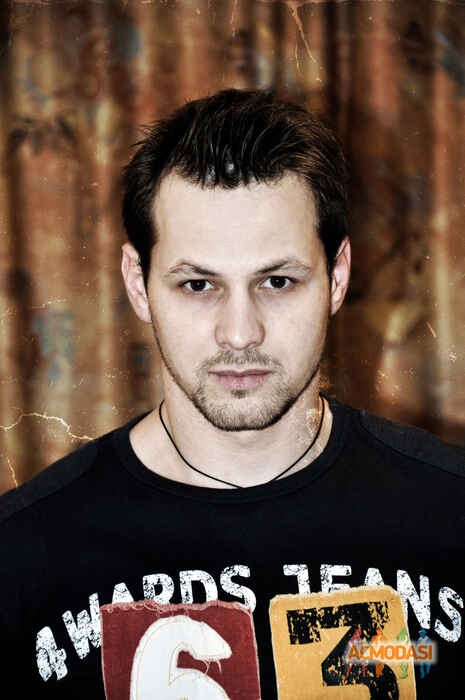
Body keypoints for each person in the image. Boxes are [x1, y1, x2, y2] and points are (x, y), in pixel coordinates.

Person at [0, 88, 464, 699]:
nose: (240, 333)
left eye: (278, 281)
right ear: (138, 283)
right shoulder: (22, 554)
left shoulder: (450, 513)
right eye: (198, 285)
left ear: (337, 276)